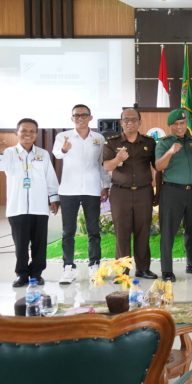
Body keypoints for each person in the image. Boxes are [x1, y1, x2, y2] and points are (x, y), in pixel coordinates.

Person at [0, 118, 60, 287]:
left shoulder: (42, 154)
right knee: (21, 244)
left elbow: (50, 178)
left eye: (32, 131)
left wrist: (54, 198)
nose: (28, 134)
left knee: (40, 243)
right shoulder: (8, 153)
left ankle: (37, 273)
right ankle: (22, 274)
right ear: (16, 133)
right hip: (17, 207)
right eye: (24, 131)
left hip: (39, 206)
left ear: (36, 134)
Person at [53, 104, 110, 285]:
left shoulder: (99, 138)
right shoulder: (63, 137)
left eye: (84, 115)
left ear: (90, 118)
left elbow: (102, 163)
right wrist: (64, 149)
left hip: (92, 189)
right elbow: (57, 154)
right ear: (72, 119)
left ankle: (94, 265)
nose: (80, 118)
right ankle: (68, 267)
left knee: (94, 231)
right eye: (76, 115)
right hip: (69, 190)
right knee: (68, 231)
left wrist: (106, 186)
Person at [103, 108, 158, 280]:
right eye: (126, 119)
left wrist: (158, 192)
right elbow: (107, 167)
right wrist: (118, 159)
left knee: (143, 232)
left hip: (144, 192)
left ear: (140, 122)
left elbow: (157, 167)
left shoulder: (149, 142)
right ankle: (122, 272)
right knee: (122, 233)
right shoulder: (111, 143)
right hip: (121, 193)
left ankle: (143, 269)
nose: (129, 122)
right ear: (121, 122)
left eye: (133, 119)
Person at [155, 109, 192, 282]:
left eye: (182, 123)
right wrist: (170, 152)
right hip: (172, 192)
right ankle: (167, 270)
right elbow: (159, 167)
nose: (179, 127)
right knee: (168, 231)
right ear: (170, 126)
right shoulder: (163, 143)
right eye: (176, 124)